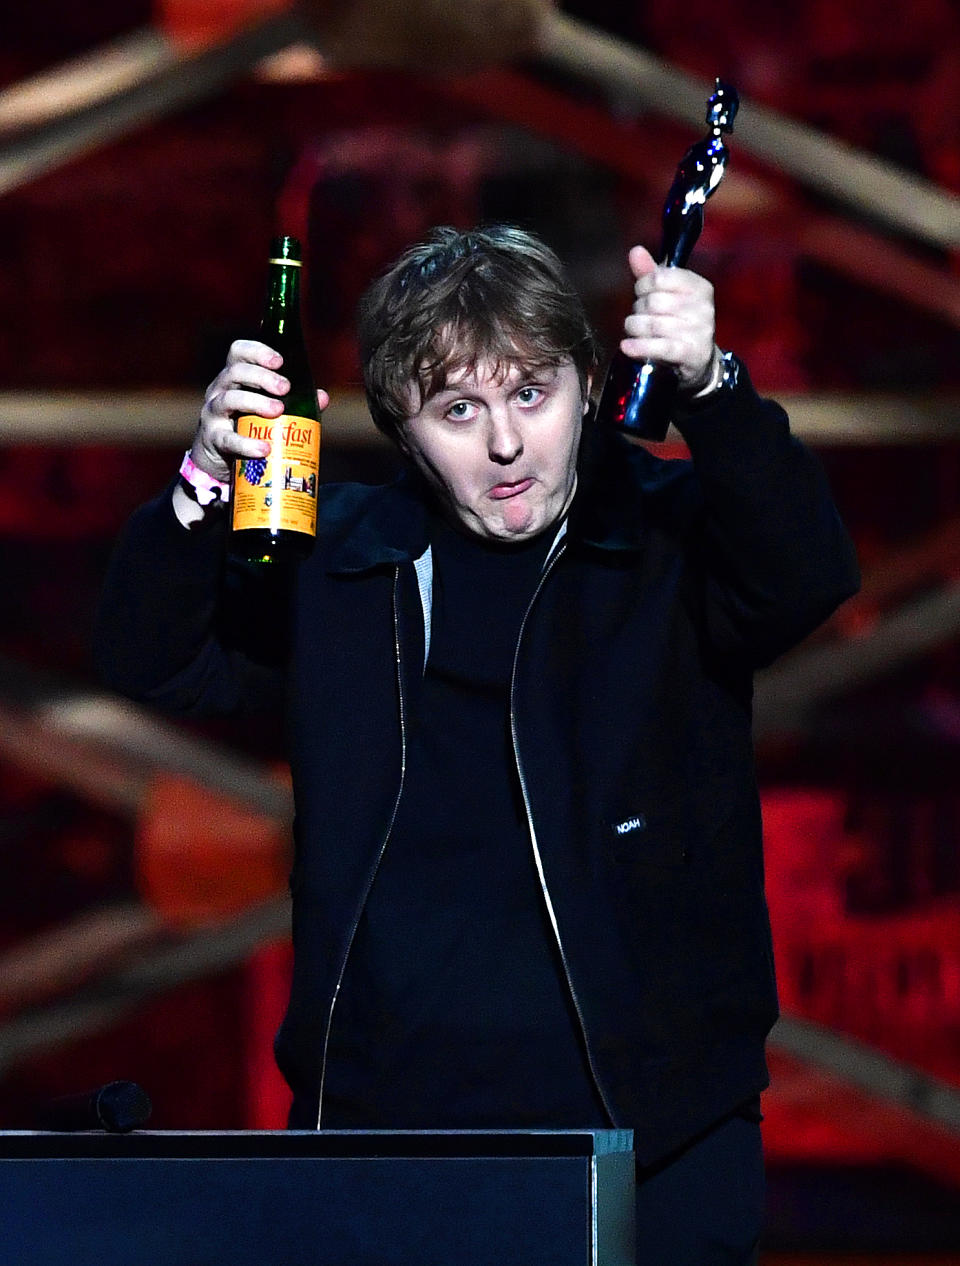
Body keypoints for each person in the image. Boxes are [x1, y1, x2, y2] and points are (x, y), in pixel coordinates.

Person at [95, 225, 859, 1264]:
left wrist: (714, 389)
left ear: (588, 385)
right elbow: (151, 656)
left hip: (657, 1135)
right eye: (460, 410)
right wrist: (201, 479)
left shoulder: (666, 541)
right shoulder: (345, 569)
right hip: (387, 1143)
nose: (506, 445)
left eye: (531, 396)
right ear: (406, 431)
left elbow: (806, 575)